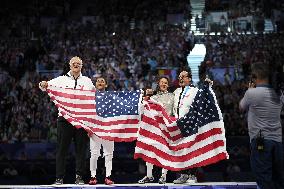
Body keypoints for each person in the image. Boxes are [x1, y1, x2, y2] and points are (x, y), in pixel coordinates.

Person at [39, 56, 95, 185]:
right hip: (65, 119)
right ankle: (59, 178)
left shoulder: (87, 81)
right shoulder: (61, 80)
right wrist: (42, 84)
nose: (76, 65)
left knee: (81, 149)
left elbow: (93, 98)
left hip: (81, 120)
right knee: (62, 149)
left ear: (81, 66)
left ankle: (79, 177)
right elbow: (44, 86)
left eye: (78, 64)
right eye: (74, 63)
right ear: (70, 66)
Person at [239, 62, 284, 189]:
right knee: (278, 179)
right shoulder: (279, 93)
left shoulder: (252, 93)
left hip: (261, 142)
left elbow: (241, 107)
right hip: (277, 141)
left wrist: (250, 89)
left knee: (263, 179)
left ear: (255, 76)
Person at [138, 77, 174, 184]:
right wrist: (145, 96)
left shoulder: (173, 96)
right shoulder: (153, 96)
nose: (163, 84)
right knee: (150, 150)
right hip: (153, 126)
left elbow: (175, 111)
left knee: (165, 151)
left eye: (165, 83)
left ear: (168, 85)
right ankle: (149, 175)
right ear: (158, 84)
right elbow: (143, 108)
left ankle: (163, 176)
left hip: (166, 126)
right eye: (162, 82)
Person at [172, 70, 199, 184]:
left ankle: (192, 175)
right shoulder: (176, 91)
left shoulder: (195, 90)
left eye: (183, 76)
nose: (181, 79)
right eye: (179, 77)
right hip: (178, 125)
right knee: (181, 150)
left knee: (192, 149)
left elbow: (199, 106)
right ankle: (183, 174)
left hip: (191, 124)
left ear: (189, 79)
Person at [89, 77, 115, 185]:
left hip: (108, 128)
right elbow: (88, 113)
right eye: (98, 81)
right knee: (94, 154)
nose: (100, 82)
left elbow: (115, 112)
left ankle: (108, 176)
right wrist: (89, 127)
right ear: (95, 84)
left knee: (109, 154)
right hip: (95, 128)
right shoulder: (90, 97)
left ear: (106, 85)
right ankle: (93, 177)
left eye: (102, 81)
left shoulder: (111, 97)